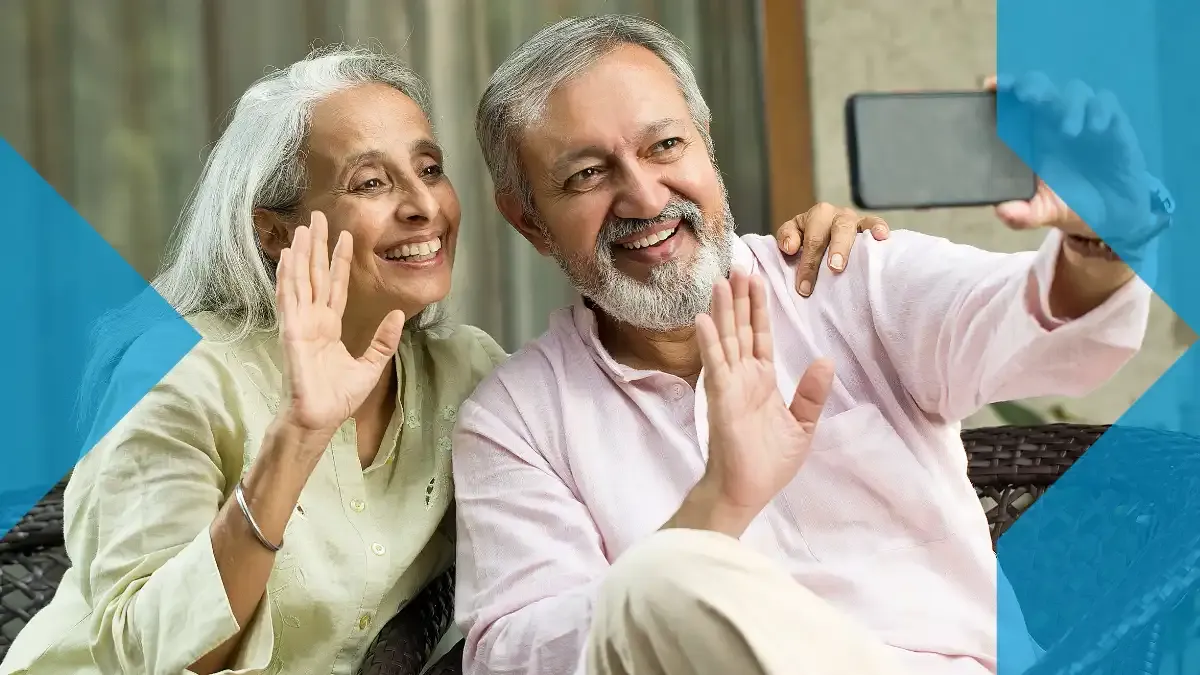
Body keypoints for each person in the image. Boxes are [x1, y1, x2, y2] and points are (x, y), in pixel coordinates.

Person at [0, 43, 854, 675]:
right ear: (273, 228)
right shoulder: (175, 372)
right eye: (371, 183)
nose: (422, 208)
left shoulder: (468, 376)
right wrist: (299, 434)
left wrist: (787, 259)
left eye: (429, 169)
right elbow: (151, 653)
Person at [451, 14, 1158, 675]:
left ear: (706, 143)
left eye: (664, 146)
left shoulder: (846, 275)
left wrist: (1101, 236)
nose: (643, 195)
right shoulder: (515, 421)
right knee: (656, 583)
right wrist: (717, 505)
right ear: (529, 223)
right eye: (586, 175)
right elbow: (518, 654)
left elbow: (1042, 327)